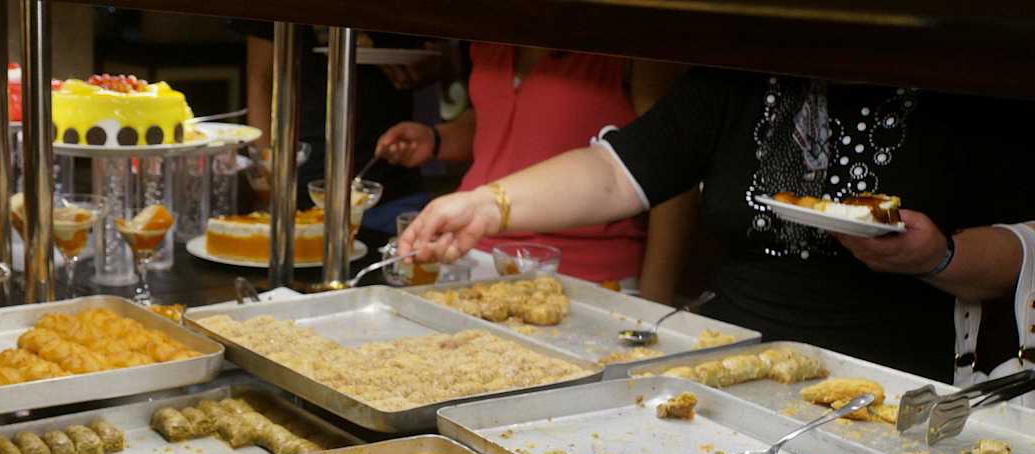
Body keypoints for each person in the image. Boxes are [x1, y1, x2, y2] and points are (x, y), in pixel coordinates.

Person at [402, 69, 1035, 381]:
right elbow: (620, 171)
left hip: (891, 384)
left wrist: (939, 257)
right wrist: (488, 204)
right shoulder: (745, 67)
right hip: (727, 366)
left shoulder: (970, 75)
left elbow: (1022, 247)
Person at [376, 46, 695, 303]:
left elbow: (670, 163)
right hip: (469, 254)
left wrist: (655, 301)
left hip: (582, 274)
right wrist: (438, 139)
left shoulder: (631, 45)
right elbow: (497, 121)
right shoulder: (490, 36)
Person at [239, 23, 433, 221]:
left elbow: (444, 56)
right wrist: (269, 182)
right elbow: (260, 80)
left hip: (393, 178)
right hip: (303, 178)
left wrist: (432, 67)